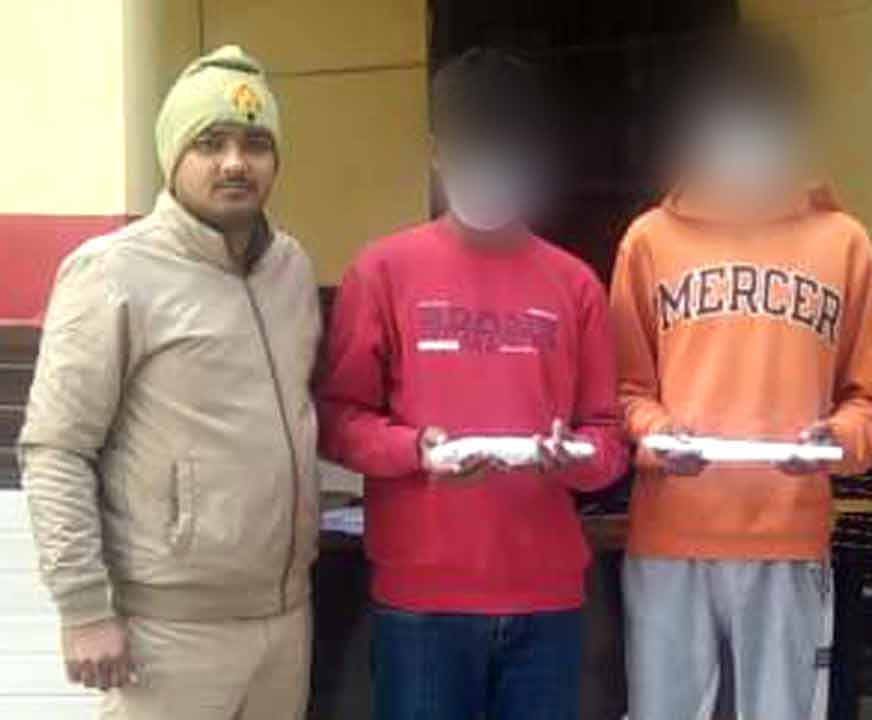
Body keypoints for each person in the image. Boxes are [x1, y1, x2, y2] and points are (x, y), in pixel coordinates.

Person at [316, 47, 629, 720]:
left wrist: (571, 459)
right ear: (437, 153)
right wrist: (416, 451)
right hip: (421, 603)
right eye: (473, 150)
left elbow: (608, 441)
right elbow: (338, 420)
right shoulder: (382, 271)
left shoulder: (575, 283)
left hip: (546, 600)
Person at [20, 46, 321, 719]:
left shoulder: (292, 269)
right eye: (210, 143)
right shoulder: (112, 272)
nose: (235, 163)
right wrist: (83, 608)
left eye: (256, 144)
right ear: (171, 155)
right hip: (168, 632)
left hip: (285, 621)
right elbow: (57, 449)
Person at [609, 31, 872, 720]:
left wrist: (834, 440)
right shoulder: (650, 239)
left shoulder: (844, 241)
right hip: (671, 536)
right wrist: (659, 434)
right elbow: (622, 390)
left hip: (788, 538)